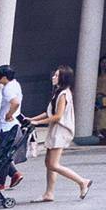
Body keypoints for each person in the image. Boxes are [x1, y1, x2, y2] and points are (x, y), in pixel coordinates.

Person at [27, 65, 90, 202]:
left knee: (53, 164)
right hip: (56, 129)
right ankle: (49, 193)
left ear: (63, 78)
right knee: (49, 163)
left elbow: (57, 116)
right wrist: (32, 119)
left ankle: (82, 181)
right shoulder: (58, 92)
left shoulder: (63, 94)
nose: (53, 77)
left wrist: (38, 122)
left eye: (56, 75)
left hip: (60, 130)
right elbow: (49, 112)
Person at [0, 64, 25, 189]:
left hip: (5, 126)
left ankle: (1, 182)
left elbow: (15, 102)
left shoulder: (8, 89)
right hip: (11, 125)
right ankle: (14, 174)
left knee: (1, 155)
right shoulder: (15, 84)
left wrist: (9, 114)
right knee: (3, 153)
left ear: (4, 77)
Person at [94, 56, 106, 138]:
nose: (104, 64)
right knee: (97, 114)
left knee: (102, 115)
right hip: (95, 95)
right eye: (103, 62)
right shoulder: (95, 73)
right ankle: (96, 130)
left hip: (103, 96)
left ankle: (99, 130)